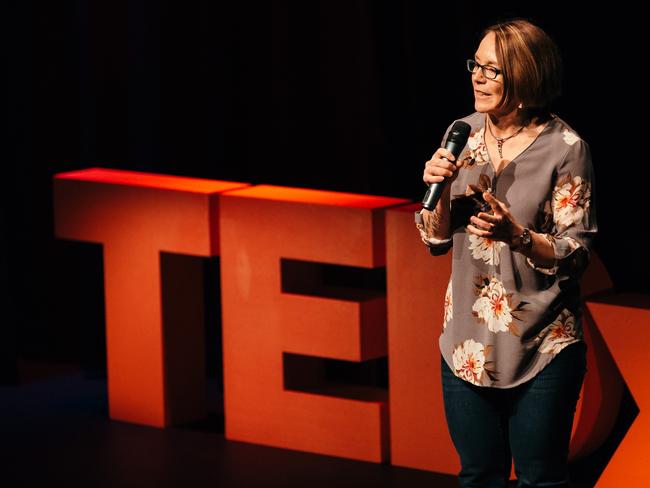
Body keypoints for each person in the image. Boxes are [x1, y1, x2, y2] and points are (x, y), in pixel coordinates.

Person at [414, 19, 596, 488]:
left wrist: (517, 236)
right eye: (476, 64)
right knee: (479, 476)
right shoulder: (462, 134)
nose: (477, 76)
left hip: (542, 344)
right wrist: (441, 184)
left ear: (526, 75)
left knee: (540, 478)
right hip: (466, 346)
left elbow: (576, 254)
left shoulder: (566, 148)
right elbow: (434, 240)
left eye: (492, 70)